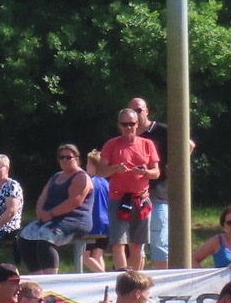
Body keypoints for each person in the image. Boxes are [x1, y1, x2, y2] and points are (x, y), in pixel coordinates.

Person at [94, 110, 158, 272]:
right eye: (125, 124)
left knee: (137, 243)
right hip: (119, 199)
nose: (128, 128)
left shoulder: (147, 144)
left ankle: (134, 278)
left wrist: (144, 172)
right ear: (119, 125)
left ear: (138, 124)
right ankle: (122, 276)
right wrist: (115, 168)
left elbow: (156, 173)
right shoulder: (111, 145)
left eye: (132, 124)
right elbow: (100, 172)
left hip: (141, 199)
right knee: (118, 242)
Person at [17, 144, 96, 274]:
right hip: (51, 218)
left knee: (45, 237)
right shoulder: (56, 176)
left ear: (77, 159)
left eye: (68, 157)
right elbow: (43, 197)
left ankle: (51, 278)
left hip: (74, 219)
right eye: (61, 157)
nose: (64, 160)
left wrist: (51, 214)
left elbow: (73, 202)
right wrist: (40, 213)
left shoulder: (81, 177)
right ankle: (38, 278)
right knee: (24, 237)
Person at [129, 96, 186, 268]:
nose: (136, 115)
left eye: (139, 110)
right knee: (136, 242)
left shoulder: (161, 131)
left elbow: (188, 145)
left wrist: (173, 165)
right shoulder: (128, 134)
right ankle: (136, 282)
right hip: (134, 193)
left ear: (147, 111)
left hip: (158, 192)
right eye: (132, 111)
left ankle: (163, 285)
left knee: (159, 240)